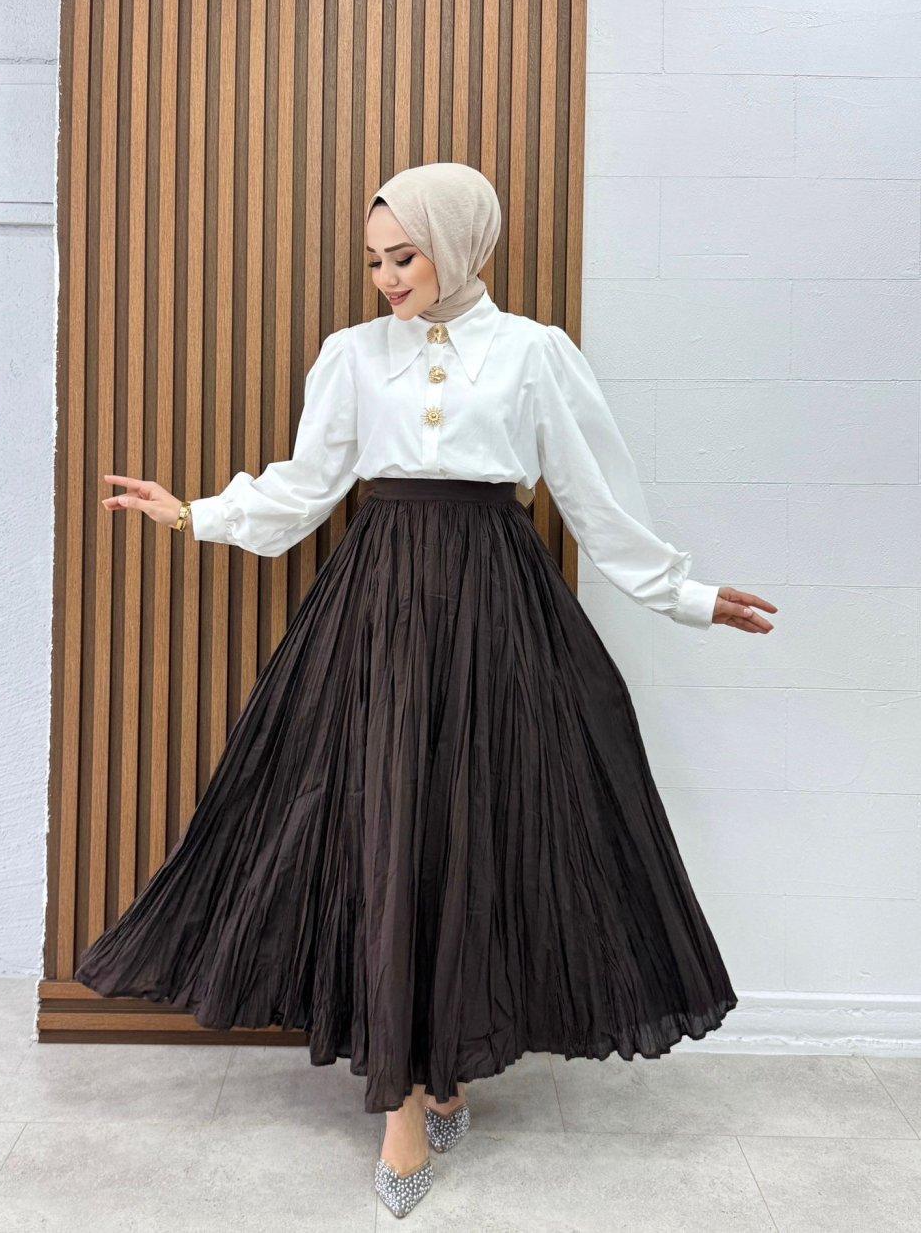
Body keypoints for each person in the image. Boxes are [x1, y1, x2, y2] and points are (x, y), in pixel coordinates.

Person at [74, 161, 777, 1218]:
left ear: (457, 244)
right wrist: (193, 513)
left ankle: (446, 1059)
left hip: (497, 605)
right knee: (386, 834)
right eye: (374, 261)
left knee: (473, 835)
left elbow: (596, 499)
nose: (387, 278)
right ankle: (403, 1100)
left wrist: (687, 594)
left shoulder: (535, 353)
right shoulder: (352, 355)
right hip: (379, 608)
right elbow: (306, 487)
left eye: (404, 255)